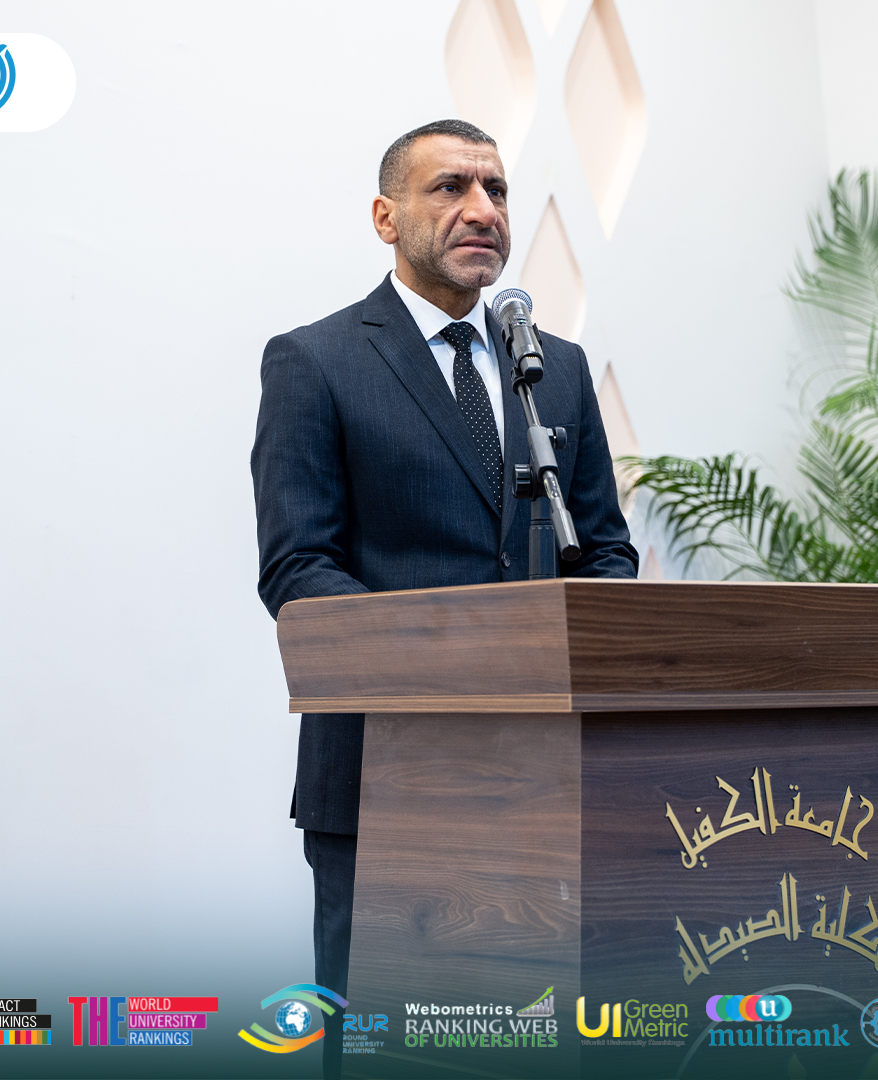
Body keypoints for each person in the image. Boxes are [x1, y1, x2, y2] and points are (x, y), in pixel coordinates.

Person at [249, 118, 637, 1076]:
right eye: (451, 187)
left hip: (548, 774)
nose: (482, 209)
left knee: (534, 1042)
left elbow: (605, 554)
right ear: (386, 218)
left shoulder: (555, 367)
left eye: (496, 190)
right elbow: (299, 569)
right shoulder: (315, 361)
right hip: (388, 773)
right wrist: (461, 664)